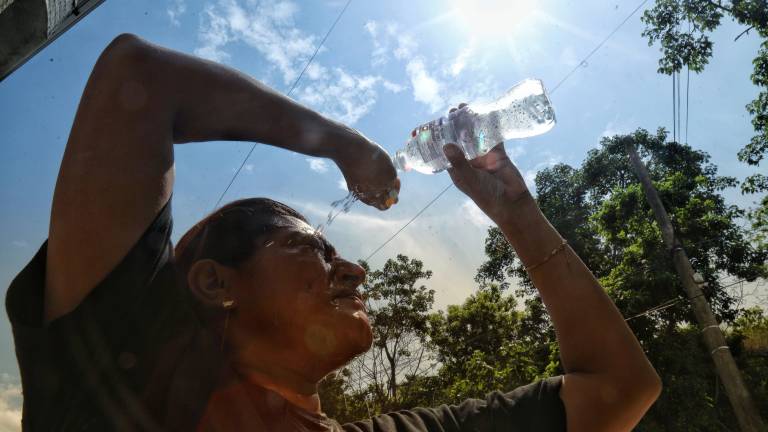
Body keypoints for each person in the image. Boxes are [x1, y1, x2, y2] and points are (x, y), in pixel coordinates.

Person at [6, 33, 661, 431]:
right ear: (214, 282)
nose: (354, 270)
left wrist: (517, 213)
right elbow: (138, 78)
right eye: (306, 247)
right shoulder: (128, 396)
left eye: (336, 252)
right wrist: (339, 142)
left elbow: (621, 388)